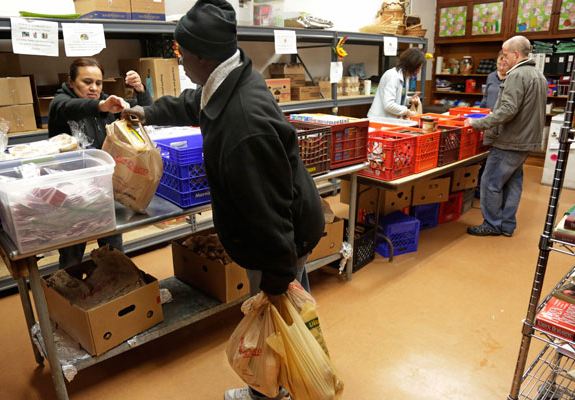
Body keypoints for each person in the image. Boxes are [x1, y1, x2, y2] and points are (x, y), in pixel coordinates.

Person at [123, 1, 324, 399]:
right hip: (281, 234)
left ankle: (269, 393)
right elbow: (193, 103)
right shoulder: (230, 78)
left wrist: (275, 279)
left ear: (200, 55)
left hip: (280, 241)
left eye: (180, 53)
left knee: (274, 318)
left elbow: (269, 215)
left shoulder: (243, 125)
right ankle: (278, 386)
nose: (178, 62)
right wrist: (144, 112)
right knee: (284, 322)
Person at [48, 57, 153, 268]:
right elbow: (71, 107)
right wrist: (101, 106)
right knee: (71, 256)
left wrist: (140, 90)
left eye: (98, 82)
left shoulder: (106, 100)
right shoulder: (60, 102)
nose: (94, 88)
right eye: (87, 82)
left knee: (113, 251)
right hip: (71, 196)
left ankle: (118, 293)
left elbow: (145, 109)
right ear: (70, 81)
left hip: (104, 190)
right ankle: (68, 295)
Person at [465, 36, 547, 237]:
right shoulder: (538, 76)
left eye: (506, 54)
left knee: (490, 182)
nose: (504, 58)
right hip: (526, 141)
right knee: (513, 183)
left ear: (516, 54)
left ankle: (492, 225)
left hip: (510, 141)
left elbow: (507, 110)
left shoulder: (517, 76)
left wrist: (477, 124)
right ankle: (507, 225)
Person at [366, 47, 425, 120]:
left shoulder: (404, 77)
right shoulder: (392, 76)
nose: (418, 72)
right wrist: (406, 111)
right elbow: (389, 105)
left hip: (389, 120)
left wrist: (409, 99)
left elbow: (398, 98)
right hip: (379, 120)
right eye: (418, 68)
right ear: (411, 65)